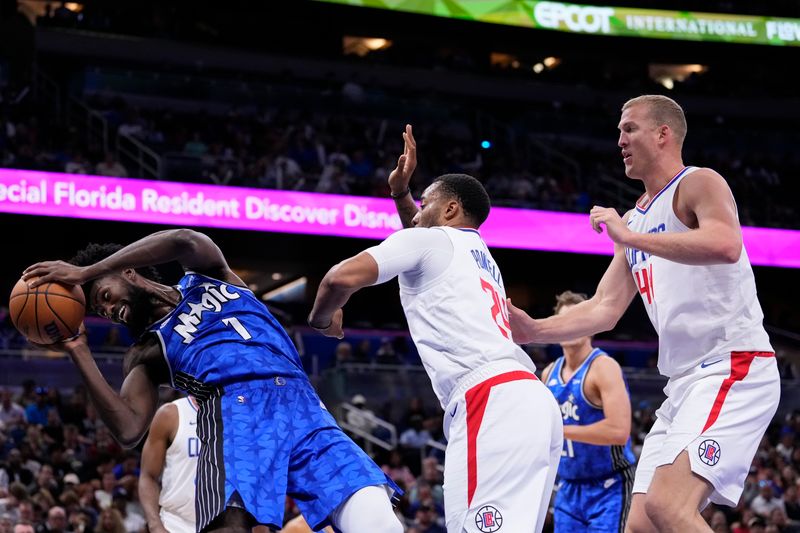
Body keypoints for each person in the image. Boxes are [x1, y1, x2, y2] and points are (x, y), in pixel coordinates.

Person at [508, 94, 779, 533]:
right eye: (619, 131)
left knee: (671, 507)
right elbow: (604, 308)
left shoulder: (699, 182)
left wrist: (630, 237)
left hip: (734, 366)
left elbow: (725, 245)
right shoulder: (634, 220)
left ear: (663, 134)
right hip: (684, 383)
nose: (619, 140)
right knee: (640, 524)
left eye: (629, 128)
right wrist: (532, 329)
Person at [22, 229, 402, 533]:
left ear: (129, 272)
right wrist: (78, 350)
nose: (107, 309)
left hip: (305, 406)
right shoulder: (147, 351)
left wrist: (84, 272)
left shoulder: (207, 277)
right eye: (99, 310)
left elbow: (184, 240)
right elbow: (128, 429)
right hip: (236, 412)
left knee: (377, 518)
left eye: (104, 295)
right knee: (230, 526)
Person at [308, 125, 562, 533]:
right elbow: (422, 236)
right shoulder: (478, 254)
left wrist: (323, 319)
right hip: (528, 398)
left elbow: (338, 279)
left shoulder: (432, 242)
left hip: (491, 400)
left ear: (449, 210)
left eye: (425, 203)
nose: (417, 213)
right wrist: (401, 194)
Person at [541, 291, 635, 532]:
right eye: (563, 320)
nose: (569, 326)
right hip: (568, 486)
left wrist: (562, 431)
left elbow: (618, 431)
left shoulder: (603, 367)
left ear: (591, 326)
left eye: (577, 319)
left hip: (609, 486)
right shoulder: (548, 373)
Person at [139, 395, 200, 533]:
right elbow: (147, 476)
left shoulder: (240, 413)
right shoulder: (171, 414)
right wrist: (155, 525)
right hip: (176, 525)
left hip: (225, 524)